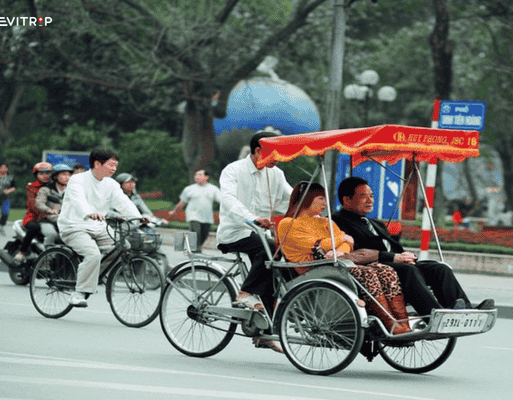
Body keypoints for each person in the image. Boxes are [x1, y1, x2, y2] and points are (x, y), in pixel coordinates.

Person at [332, 177, 495, 317]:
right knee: (409, 271)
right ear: (347, 200)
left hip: (395, 262)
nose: (370, 200)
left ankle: (463, 310)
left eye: (371, 196)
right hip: (370, 269)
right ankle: (433, 314)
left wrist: (404, 253)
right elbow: (357, 251)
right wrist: (394, 257)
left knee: (439, 268)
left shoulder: (374, 223)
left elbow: (389, 246)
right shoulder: (336, 222)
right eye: (363, 197)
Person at [277, 182, 411, 334]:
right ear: (307, 199)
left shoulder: (325, 222)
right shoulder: (287, 224)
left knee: (385, 270)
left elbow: (348, 244)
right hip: (312, 269)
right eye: (320, 199)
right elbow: (317, 246)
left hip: (335, 264)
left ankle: (402, 322)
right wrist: (343, 238)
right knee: (368, 274)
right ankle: (389, 322)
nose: (325, 203)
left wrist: (340, 250)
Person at [216, 131, 292, 352]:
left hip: (262, 235)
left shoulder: (276, 173)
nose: (278, 158)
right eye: (275, 153)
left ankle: (264, 334)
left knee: (274, 267)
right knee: (269, 250)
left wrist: (313, 209)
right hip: (236, 231)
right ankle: (245, 293)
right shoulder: (233, 170)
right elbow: (229, 199)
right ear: (259, 151)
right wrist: (251, 219)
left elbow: (290, 199)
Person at [58, 148, 145, 308]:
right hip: (73, 226)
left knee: (123, 247)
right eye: (111, 165)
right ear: (97, 163)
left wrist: (139, 218)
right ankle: (78, 293)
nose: (114, 169)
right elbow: (79, 201)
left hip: (98, 226)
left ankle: (93, 275)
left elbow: (123, 202)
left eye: (116, 165)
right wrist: (89, 212)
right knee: (93, 255)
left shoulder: (111, 184)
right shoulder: (77, 180)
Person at [170, 170, 220, 252]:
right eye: (196, 175)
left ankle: (198, 246)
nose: (197, 177)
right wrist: (174, 211)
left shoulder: (213, 189)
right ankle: (194, 249)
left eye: (200, 175)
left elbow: (221, 200)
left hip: (206, 216)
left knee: (204, 233)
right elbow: (182, 202)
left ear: (206, 177)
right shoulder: (189, 189)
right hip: (193, 214)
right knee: (195, 231)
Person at [14, 162, 53, 262]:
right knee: (34, 227)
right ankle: (22, 252)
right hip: (34, 217)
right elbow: (32, 205)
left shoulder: (53, 187)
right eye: (41, 173)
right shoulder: (31, 187)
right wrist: (47, 214)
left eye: (48, 173)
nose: (45, 176)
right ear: (36, 175)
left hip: (52, 217)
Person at [35, 164, 73, 247]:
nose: (67, 177)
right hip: (47, 220)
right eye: (64, 174)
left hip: (65, 221)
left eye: (69, 175)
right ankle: (47, 257)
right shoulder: (46, 190)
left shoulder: (72, 191)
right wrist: (49, 210)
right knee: (51, 234)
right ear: (55, 176)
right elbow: (39, 204)